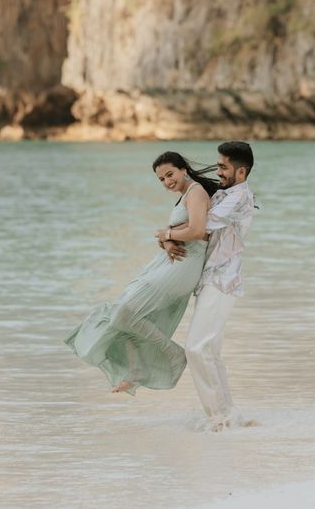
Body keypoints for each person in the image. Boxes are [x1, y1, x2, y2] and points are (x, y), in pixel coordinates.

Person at [64, 152, 220, 395]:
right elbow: (182, 229)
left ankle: (173, 354)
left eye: (170, 174)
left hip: (184, 266)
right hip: (170, 262)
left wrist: (166, 234)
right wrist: (166, 239)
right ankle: (137, 368)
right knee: (120, 314)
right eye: (161, 179)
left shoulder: (196, 191)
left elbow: (198, 230)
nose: (167, 181)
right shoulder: (184, 197)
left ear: (183, 170)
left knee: (123, 312)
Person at [161, 141, 256, 431]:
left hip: (223, 280)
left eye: (224, 167)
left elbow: (201, 226)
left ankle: (220, 416)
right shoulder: (226, 193)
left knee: (196, 348)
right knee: (208, 350)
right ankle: (226, 415)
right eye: (218, 164)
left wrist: (164, 233)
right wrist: (170, 237)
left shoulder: (240, 196)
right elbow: (197, 229)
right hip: (210, 279)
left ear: (242, 172)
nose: (218, 171)